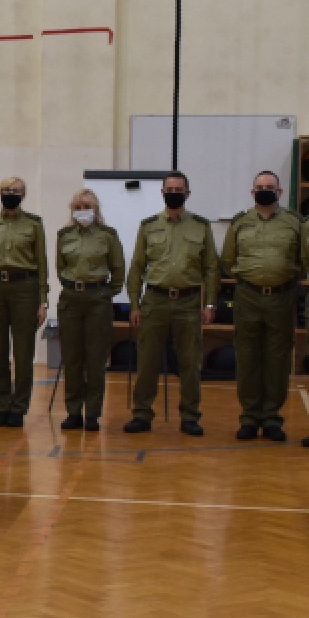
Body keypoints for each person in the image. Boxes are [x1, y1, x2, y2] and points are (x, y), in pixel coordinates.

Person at [124, 171, 218, 436]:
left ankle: (190, 416)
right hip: (155, 301)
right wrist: (134, 304)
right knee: (148, 362)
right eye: (170, 189)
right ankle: (142, 414)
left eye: (179, 189)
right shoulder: (149, 225)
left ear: (188, 194)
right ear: (162, 192)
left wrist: (209, 304)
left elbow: (211, 268)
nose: (174, 193)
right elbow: (137, 268)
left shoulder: (201, 226)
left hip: (189, 302)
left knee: (189, 363)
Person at [221, 171, 302, 441]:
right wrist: (250, 279)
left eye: (270, 187)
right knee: (247, 358)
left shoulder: (295, 223)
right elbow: (228, 260)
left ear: (280, 192)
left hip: (282, 297)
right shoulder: (240, 223)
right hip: (248, 297)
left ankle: (271, 419)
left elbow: (303, 259)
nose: (264, 190)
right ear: (252, 192)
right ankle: (249, 417)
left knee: (277, 360)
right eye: (260, 187)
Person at [0, 176, 48, 428]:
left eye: (15, 190)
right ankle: (2, 404)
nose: (10, 193)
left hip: (25, 289)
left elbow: (41, 264)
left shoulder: (34, 225)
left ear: (23, 194)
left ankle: (19, 407)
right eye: (6, 190)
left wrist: (43, 300)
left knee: (23, 352)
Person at [54, 189, 125, 432]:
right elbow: (60, 267)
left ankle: (93, 413)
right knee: (72, 358)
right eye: (79, 207)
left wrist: (105, 294)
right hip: (71, 299)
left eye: (88, 207)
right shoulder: (64, 236)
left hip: (98, 300)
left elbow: (118, 270)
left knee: (95, 359)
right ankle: (73, 412)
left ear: (96, 210)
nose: (83, 211)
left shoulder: (107, 235)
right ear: (72, 210)